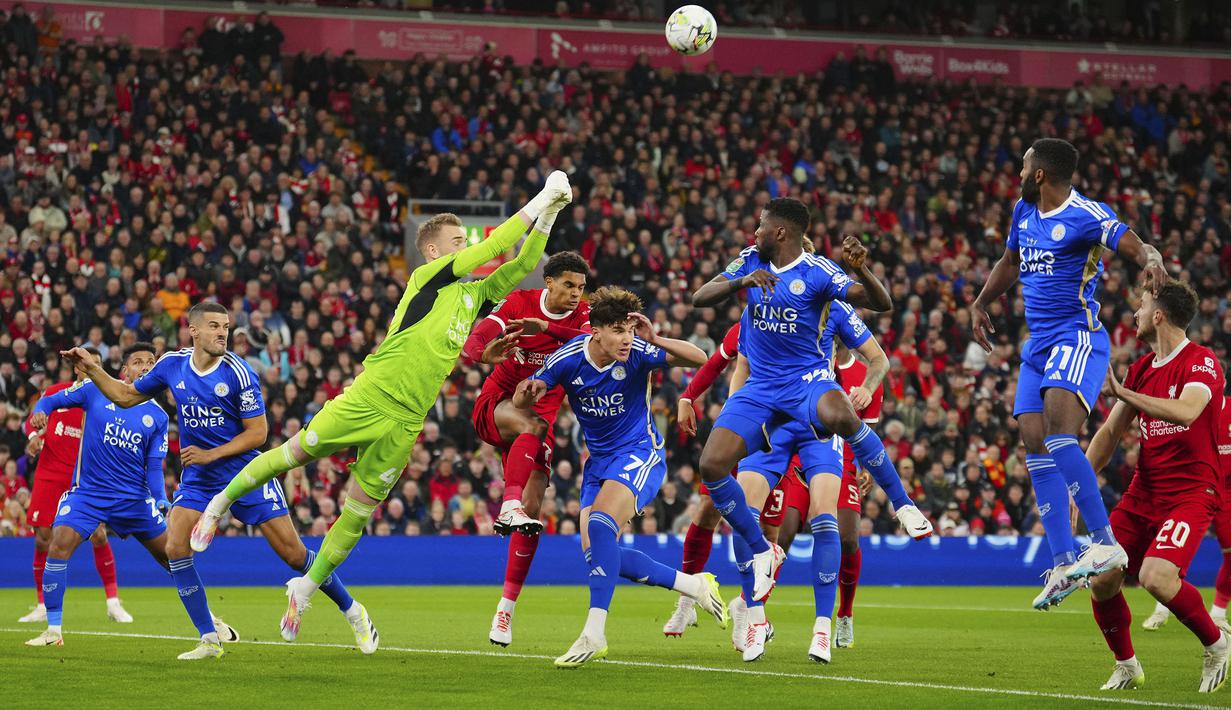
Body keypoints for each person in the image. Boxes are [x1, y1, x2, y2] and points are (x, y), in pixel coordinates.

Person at [188, 171, 573, 641]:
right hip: (371, 397)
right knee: (294, 454)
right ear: (433, 251)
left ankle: (305, 589)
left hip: (407, 421)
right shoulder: (427, 278)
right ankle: (218, 506)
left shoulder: (474, 295)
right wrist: (541, 196)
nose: (465, 247)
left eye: (463, 241)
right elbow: (494, 246)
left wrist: (551, 212)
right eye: (457, 242)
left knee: (357, 514)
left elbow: (524, 262)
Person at [61, 303, 372, 659]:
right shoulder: (172, 365)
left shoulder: (238, 372)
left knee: (294, 554)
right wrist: (92, 368)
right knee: (175, 547)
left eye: (225, 326)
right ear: (193, 331)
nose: (222, 332)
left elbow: (258, 434)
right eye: (213, 326)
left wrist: (211, 454)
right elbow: (125, 395)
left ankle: (353, 611)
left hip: (246, 473)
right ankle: (210, 638)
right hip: (200, 478)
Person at [690, 198, 930, 616]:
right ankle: (761, 550)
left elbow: (880, 303)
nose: (755, 233)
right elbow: (700, 297)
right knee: (711, 466)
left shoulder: (818, 272)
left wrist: (861, 270)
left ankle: (903, 503)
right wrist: (741, 282)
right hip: (760, 388)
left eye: (761, 226)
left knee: (841, 415)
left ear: (781, 232)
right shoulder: (749, 260)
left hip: (807, 382)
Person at [971, 137, 1167, 610]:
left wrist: (1152, 258)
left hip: (1076, 337)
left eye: (1024, 166)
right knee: (1034, 440)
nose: (1019, 174)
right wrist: (980, 302)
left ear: (1039, 173)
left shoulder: (1085, 214)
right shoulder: (1024, 212)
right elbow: (1010, 262)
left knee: (1060, 435)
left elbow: (1130, 242)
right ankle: (1062, 561)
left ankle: (1104, 542)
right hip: (1037, 345)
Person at [514, 286, 723, 668]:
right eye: (617, 330)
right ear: (595, 331)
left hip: (640, 453)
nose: (626, 338)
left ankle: (594, 634)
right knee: (598, 554)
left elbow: (700, 358)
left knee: (599, 524)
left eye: (628, 329)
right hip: (598, 464)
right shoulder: (569, 357)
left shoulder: (639, 352)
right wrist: (528, 392)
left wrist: (655, 338)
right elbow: (522, 398)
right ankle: (694, 585)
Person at [1084, 280, 1228, 692]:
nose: (1136, 313)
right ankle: (1127, 665)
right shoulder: (1141, 370)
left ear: (1159, 315)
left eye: (1143, 305)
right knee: (1102, 577)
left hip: (1192, 492)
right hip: (1143, 493)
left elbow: (1186, 411)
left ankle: (1217, 644)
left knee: (1156, 577)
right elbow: (1110, 434)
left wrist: (1124, 393)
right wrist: (1077, 486)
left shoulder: (1201, 362)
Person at [461, 250, 591, 647]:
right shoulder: (519, 303)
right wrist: (482, 354)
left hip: (540, 419)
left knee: (532, 513)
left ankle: (505, 610)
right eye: (568, 284)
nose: (576, 293)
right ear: (548, 282)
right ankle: (508, 503)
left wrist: (547, 329)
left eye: (581, 287)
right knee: (531, 425)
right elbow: (477, 336)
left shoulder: (582, 316)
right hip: (498, 406)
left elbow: (591, 343)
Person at [23, 344, 169, 649]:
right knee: (53, 542)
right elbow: (47, 401)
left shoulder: (157, 415)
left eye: (151, 362)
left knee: (174, 557)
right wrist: (38, 421)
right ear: (124, 370)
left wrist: (160, 498)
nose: (145, 366)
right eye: (138, 361)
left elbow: (155, 466)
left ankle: (208, 622)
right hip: (85, 489)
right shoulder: (90, 391)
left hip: (132, 499)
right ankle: (52, 626)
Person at [19, 347, 132, 625]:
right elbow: (33, 421)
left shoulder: (108, 397)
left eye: (97, 363)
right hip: (50, 474)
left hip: (86, 478)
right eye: (88, 363)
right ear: (77, 367)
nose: (93, 367)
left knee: (99, 535)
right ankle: (42, 605)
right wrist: (34, 436)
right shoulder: (58, 392)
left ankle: (113, 602)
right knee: (43, 538)